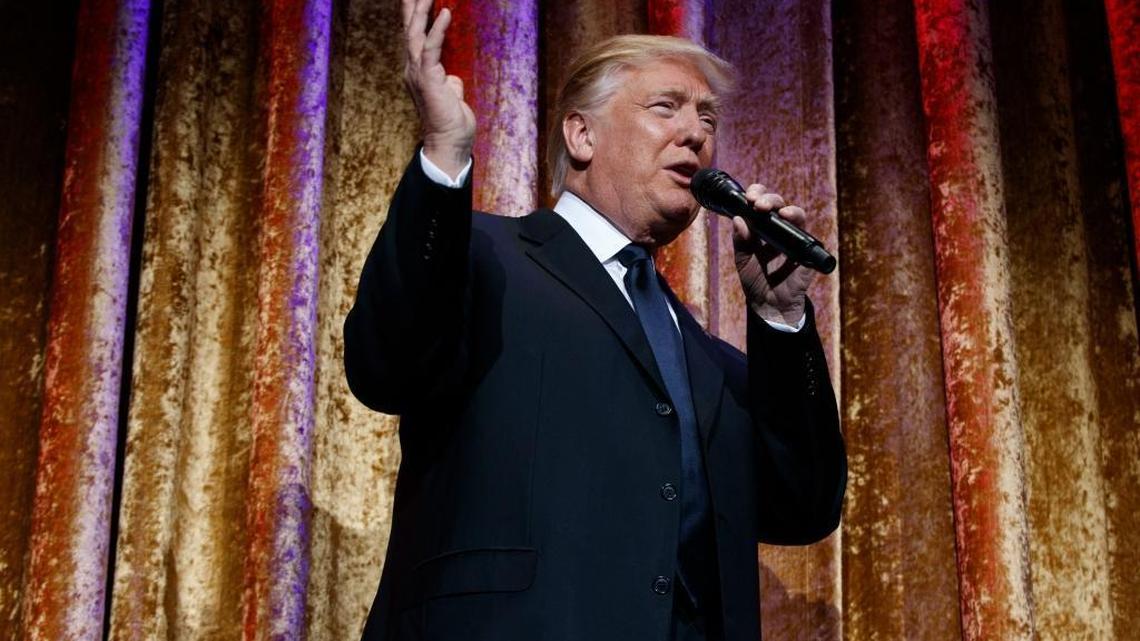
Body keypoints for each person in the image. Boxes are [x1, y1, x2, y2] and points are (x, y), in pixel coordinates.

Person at [343, 1, 846, 639]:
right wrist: (444, 155)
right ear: (582, 135)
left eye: (707, 117)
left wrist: (781, 318)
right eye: (666, 107)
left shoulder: (699, 354)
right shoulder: (484, 257)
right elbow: (384, 365)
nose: (696, 133)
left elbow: (803, 505)